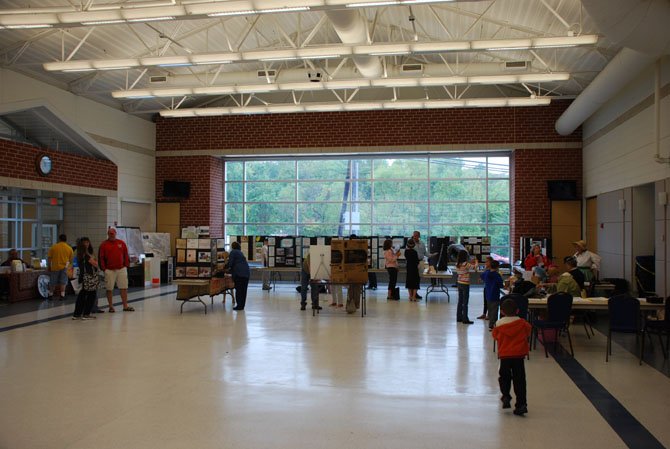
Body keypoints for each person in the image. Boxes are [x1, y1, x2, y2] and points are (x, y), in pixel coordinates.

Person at [492, 298, 532, 416]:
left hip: (505, 355)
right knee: (520, 380)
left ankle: (506, 395)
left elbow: (495, 336)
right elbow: (528, 332)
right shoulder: (523, 323)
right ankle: (521, 404)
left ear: (502, 312)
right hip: (519, 356)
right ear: (518, 310)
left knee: (504, 377)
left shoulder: (499, 324)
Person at [98, 227, 133, 312]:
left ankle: (125, 306)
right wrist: (104, 269)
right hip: (109, 270)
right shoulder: (103, 245)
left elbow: (125, 255)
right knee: (109, 288)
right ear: (108, 234)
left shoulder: (121, 243)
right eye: (110, 234)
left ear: (115, 234)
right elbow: (101, 258)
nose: (111, 235)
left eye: (113, 233)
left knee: (124, 287)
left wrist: (126, 265)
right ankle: (111, 306)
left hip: (121, 268)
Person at [73, 237, 99, 320]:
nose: (87, 244)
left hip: (83, 276)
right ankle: (86, 313)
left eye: (88, 242)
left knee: (83, 294)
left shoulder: (79, 253)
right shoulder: (86, 254)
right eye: (85, 243)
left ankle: (77, 314)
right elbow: (95, 264)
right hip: (88, 276)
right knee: (91, 294)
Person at [47, 234, 74, 300]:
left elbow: (49, 258)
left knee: (52, 281)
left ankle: (50, 295)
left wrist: (49, 266)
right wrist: (68, 267)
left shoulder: (54, 247)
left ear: (59, 239)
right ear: (66, 239)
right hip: (64, 267)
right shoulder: (69, 248)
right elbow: (70, 260)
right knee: (63, 282)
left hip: (55, 267)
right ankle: (62, 295)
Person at [227, 241, 250, 311]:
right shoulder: (240, 253)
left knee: (239, 290)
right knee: (244, 290)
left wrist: (224, 267)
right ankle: (242, 305)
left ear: (232, 247)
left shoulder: (233, 252)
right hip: (246, 273)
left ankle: (239, 306)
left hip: (239, 273)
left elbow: (230, 263)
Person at [455, 250, 478, 324]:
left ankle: (459, 317)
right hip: (465, 284)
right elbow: (474, 268)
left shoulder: (457, 264)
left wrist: (470, 263)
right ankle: (465, 318)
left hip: (459, 282)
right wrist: (476, 262)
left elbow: (465, 268)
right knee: (465, 302)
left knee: (460, 301)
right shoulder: (466, 264)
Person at [482, 260, 504, 330]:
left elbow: (482, 276)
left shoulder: (486, 273)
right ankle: (493, 325)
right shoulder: (497, 275)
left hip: (488, 294)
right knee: (494, 310)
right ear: (497, 267)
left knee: (490, 309)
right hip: (495, 295)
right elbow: (501, 285)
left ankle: (491, 323)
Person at [411, 231, 426, 299]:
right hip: (413, 263)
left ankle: (415, 293)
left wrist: (431, 255)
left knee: (418, 278)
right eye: (414, 235)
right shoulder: (410, 243)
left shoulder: (422, 243)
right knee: (412, 278)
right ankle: (412, 294)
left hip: (420, 262)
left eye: (416, 235)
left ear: (419, 236)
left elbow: (425, 253)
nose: (415, 237)